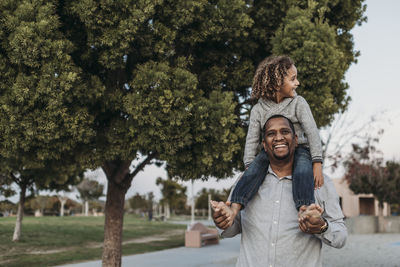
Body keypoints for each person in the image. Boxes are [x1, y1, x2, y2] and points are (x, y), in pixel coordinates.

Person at [212, 115, 347, 267]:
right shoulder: (246, 181)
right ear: (264, 144)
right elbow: (232, 228)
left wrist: (322, 226)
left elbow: (340, 237)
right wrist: (222, 220)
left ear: (296, 140)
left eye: (285, 131)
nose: (278, 137)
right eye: (271, 133)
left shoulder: (320, 182)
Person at [224, 55, 324, 227]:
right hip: (270, 152)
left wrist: (317, 162)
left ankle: (305, 207)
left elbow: (312, 132)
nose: (297, 83)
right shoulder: (258, 110)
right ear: (277, 82)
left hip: (299, 149)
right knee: (251, 174)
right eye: (293, 79)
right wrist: (249, 165)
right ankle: (234, 207)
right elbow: (252, 139)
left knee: (301, 171)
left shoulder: (298, 103)